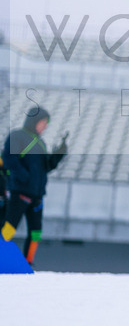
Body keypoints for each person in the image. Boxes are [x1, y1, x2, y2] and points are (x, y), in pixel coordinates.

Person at [1, 107, 69, 265]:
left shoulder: (41, 143)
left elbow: (47, 167)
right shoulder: (18, 136)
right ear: (34, 121)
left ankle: (27, 262)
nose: (45, 126)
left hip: (37, 196)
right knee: (9, 227)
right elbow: (9, 159)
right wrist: (23, 176)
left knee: (36, 232)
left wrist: (59, 154)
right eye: (43, 122)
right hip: (20, 192)